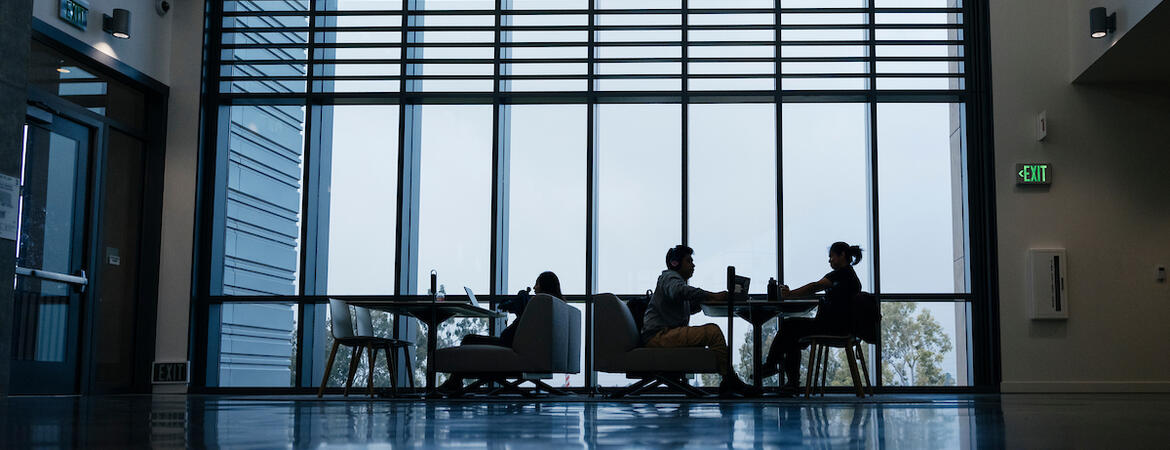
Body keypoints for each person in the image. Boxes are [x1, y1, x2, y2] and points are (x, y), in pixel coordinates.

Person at [642, 245, 756, 397]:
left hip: (661, 334)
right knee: (713, 332)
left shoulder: (673, 281)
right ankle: (729, 379)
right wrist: (712, 296)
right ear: (675, 263)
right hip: (659, 336)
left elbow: (683, 301)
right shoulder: (669, 277)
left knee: (712, 332)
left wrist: (707, 301)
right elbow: (679, 291)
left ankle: (728, 378)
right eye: (689, 261)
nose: (693, 265)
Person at [760, 241, 863, 393]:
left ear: (842, 255)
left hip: (832, 327)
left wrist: (790, 294)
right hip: (840, 326)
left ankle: (772, 367)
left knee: (789, 326)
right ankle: (791, 382)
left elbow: (815, 286)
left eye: (831, 257)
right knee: (792, 335)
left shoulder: (842, 274)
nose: (829, 261)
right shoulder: (850, 276)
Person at [437, 271, 563, 395]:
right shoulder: (551, 307)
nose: (534, 287)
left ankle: (454, 382)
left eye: (537, 284)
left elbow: (510, 335)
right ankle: (455, 382)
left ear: (545, 286)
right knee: (470, 339)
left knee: (468, 339)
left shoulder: (539, 305)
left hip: (512, 346)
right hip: (525, 349)